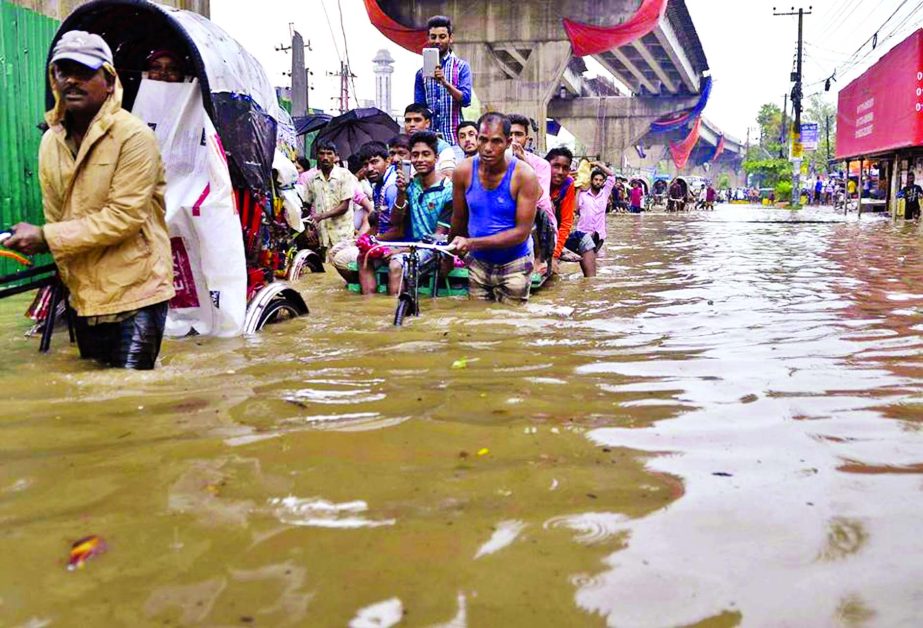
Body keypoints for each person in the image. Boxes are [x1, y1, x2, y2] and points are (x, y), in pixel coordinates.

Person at [4, 31, 174, 369]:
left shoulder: (135, 136)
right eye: (62, 71)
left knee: (132, 399)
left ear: (109, 81)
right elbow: (56, 216)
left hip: (136, 292)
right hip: (84, 296)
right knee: (96, 404)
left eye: (83, 71)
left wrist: (45, 238)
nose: (71, 80)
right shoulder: (49, 144)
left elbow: (124, 218)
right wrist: (48, 247)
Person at [449, 113, 540, 303]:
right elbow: (458, 219)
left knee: (510, 323)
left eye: (496, 141)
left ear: (508, 143)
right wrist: (448, 257)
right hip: (478, 263)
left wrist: (471, 243)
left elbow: (521, 233)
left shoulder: (524, 175)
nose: (488, 148)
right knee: (479, 323)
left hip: (515, 263)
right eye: (483, 140)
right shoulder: (463, 171)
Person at [360, 131, 454, 296]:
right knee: (364, 256)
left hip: (436, 248)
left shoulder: (448, 190)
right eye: (416, 155)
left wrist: (402, 250)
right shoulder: (410, 185)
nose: (420, 160)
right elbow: (396, 221)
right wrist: (402, 192)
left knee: (396, 265)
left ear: (436, 158)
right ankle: (370, 305)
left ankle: (396, 316)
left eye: (426, 154)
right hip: (411, 245)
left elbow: (438, 236)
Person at [509, 113, 556, 276]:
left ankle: (540, 260)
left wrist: (525, 164)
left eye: (519, 135)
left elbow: (538, 197)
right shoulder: (495, 162)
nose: (514, 139)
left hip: (539, 227)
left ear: (527, 139)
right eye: (510, 134)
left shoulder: (541, 165)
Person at [414, 15, 472, 146]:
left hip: (455, 140)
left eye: (442, 36)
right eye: (433, 37)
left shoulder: (461, 67)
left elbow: (466, 100)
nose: (437, 41)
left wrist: (445, 83)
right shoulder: (420, 74)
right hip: (430, 142)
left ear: (450, 38)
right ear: (428, 39)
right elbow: (419, 109)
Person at [547, 146, 597, 277]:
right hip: (533, 235)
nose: (560, 172)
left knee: (585, 240)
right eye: (556, 166)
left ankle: (590, 285)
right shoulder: (535, 178)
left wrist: (555, 255)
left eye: (565, 168)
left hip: (555, 235)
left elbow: (566, 222)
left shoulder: (568, 183)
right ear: (547, 165)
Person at [302, 140, 354, 261]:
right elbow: (306, 205)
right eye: (321, 153)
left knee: (344, 265)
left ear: (335, 155)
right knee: (328, 268)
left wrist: (321, 216)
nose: (325, 157)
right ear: (317, 156)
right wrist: (307, 229)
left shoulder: (344, 175)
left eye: (329, 153)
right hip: (323, 235)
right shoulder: (312, 179)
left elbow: (344, 206)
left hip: (343, 235)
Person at [403, 103, 456, 177]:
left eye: (417, 120)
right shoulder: (400, 147)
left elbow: (448, 176)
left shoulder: (442, 147)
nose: (412, 124)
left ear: (427, 123)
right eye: (408, 120)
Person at [576, 163, 616, 248]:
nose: (598, 182)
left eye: (601, 180)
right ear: (591, 180)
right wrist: (578, 189)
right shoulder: (583, 194)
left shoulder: (604, 193)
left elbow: (612, 176)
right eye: (596, 179)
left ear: (603, 182)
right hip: (583, 234)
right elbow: (575, 209)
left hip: (599, 236)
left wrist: (598, 164)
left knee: (596, 258)